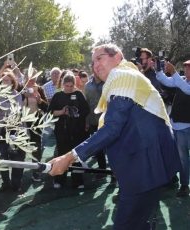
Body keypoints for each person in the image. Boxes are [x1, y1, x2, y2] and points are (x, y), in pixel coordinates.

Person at [48, 44, 181, 229]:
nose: (95, 65)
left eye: (99, 58)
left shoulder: (121, 76)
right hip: (146, 167)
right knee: (139, 222)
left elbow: (112, 128)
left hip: (144, 169)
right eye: (92, 62)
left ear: (117, 56)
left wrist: (69, 157)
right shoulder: (125, 77)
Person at [48, 73, 90, 189]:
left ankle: (78, 181)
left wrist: (76, 113)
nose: (69, 88)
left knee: (76, 156)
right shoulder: (57, 96)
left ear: (74, 85)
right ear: (62, 84)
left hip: (77, 130)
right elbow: (50, 112)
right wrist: (62, 112)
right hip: (62, 130)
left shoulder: (78, 94)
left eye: (71, 86)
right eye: (67, 86)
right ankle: (59, 179)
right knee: (62, 155)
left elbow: (86, 110)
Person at [156, 60, 190, 197]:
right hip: (176, 126)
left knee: (183, 158)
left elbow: (187, 90)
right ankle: (182, 183)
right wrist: (158, 69)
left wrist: (174, 72)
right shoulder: (181, 80)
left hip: (186, 127)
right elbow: (167, 81)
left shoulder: (182, 82)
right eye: (186, 67)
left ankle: (184, 185)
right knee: (181, 158)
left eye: (189, 68)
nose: (186, 70)